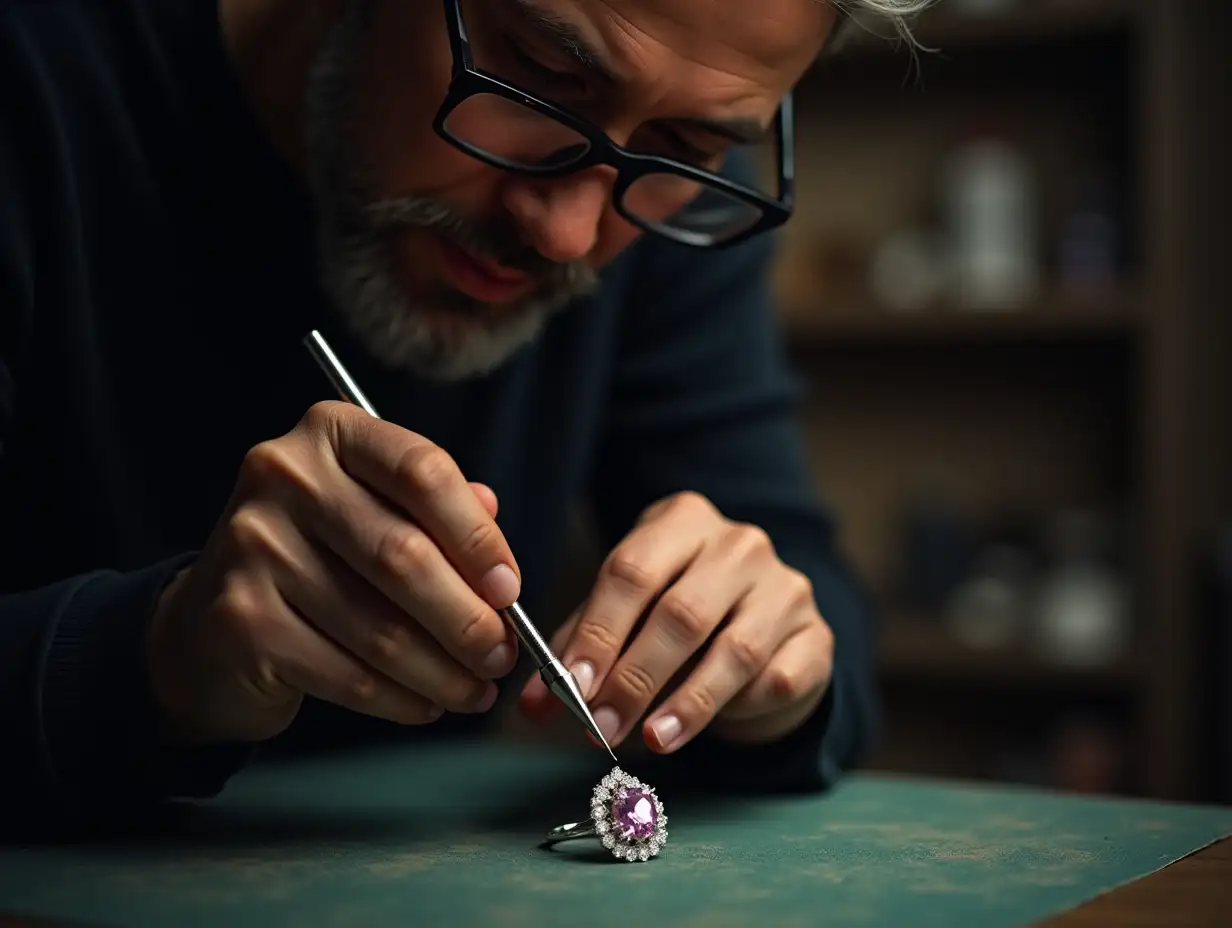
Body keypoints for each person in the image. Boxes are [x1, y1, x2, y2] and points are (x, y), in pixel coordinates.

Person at [0, 0, 927, 821]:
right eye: (543, 76)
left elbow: (813, 600)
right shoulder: (36, 70)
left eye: (686, 147)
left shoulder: (663, 211)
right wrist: (151, 661)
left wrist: (767, 661)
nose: (567, 233)